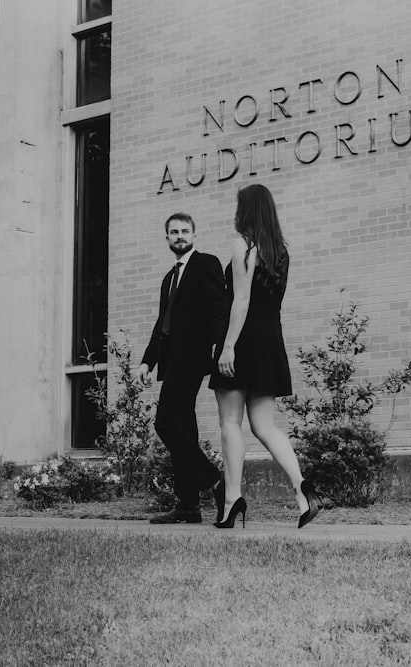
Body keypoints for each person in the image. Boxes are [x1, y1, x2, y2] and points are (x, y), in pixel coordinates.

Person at [209, 184, 320, 529]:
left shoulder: (243, 244)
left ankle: (231, 500)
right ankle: (303, 490)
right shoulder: (280, 251)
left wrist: (227, 346)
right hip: (271, 338)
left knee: (230, 422)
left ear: (248, 210)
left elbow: (240, 301)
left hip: (243, 338)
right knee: (265, 425)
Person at [140, 212, 227, 524]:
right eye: (174, 232)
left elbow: (219, 305)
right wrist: (148, 360)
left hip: (192, 357)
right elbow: (162, 323)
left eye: (185, 231)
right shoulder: (168, 278)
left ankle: (215, 480)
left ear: (194, 235)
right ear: (167, 239)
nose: (179, 236)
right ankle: (188, 504)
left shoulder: (207, 263)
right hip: (171, 359)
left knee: (165, 423)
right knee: (184, 428)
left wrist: (219, 342)